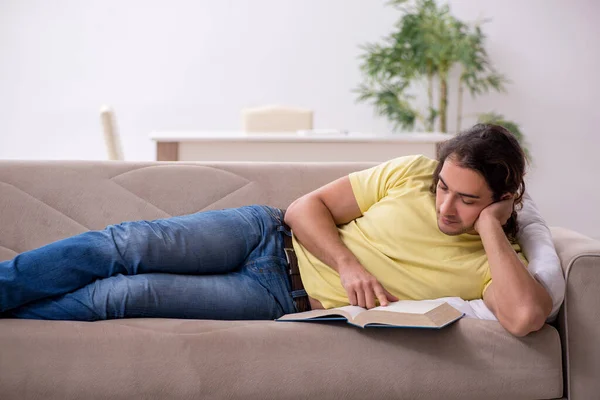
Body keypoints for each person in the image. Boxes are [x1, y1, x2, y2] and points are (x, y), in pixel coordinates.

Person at [0, 124, 564, 337]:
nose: (445, 206)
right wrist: (349, 264)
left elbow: (523, 316)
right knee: (123, 246)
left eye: (468, 200)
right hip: (263, 233)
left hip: (279, 295)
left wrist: (489, 227)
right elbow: (305, 207)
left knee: (123, 296)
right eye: (444, 187)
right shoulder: (412, 172)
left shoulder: (495, 260)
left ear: (503, 199)